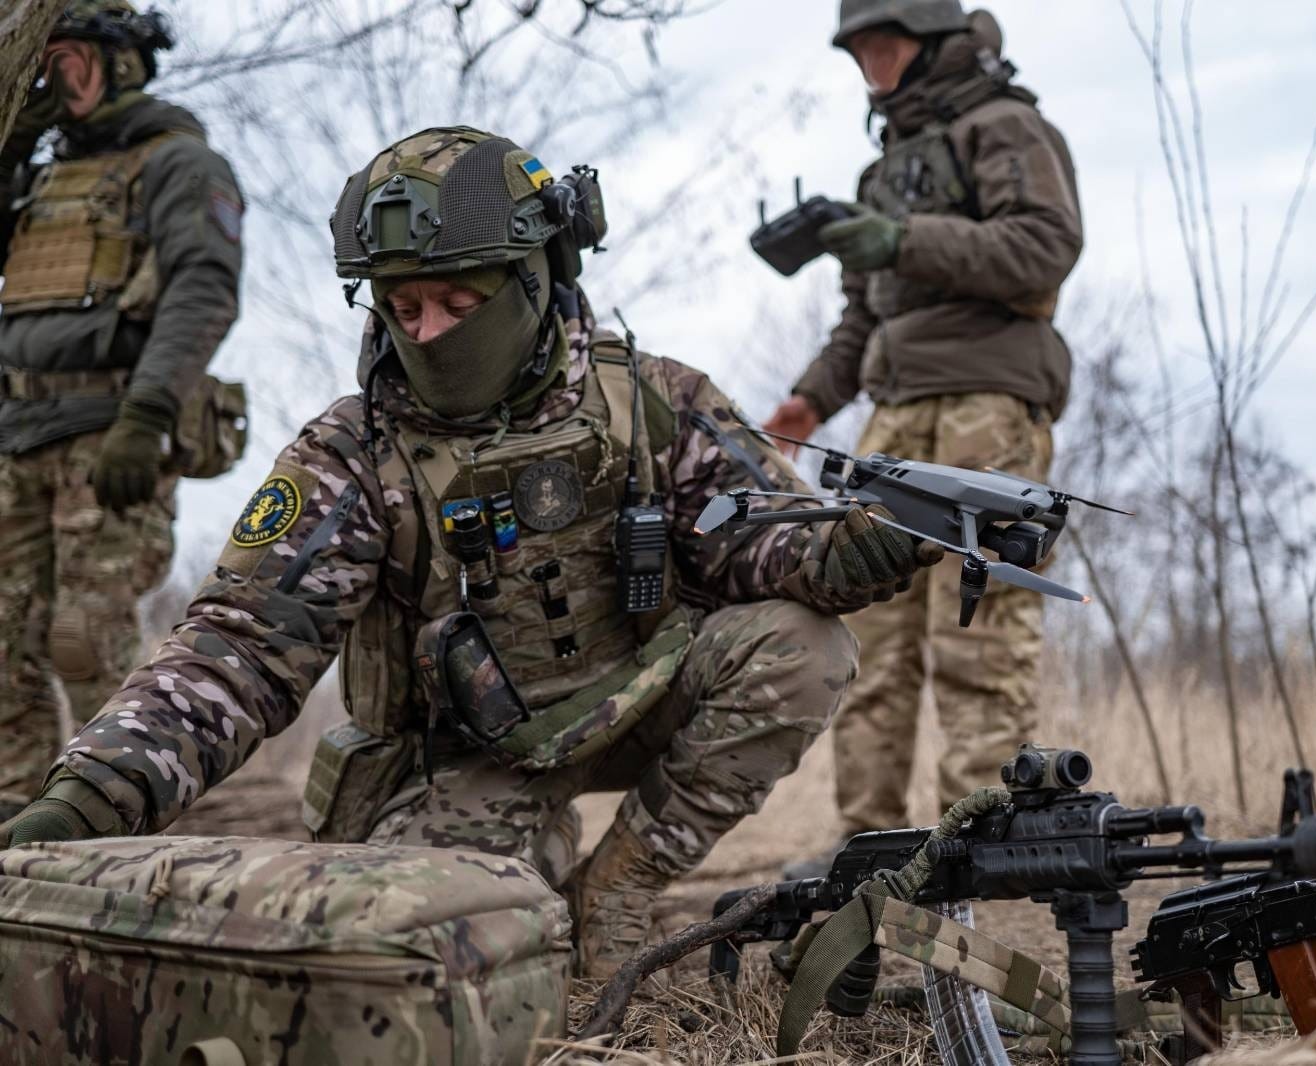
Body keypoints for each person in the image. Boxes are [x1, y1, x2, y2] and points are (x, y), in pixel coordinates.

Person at [0, 126, 939, 979]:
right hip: (463, 760)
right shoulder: (352, 452)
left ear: (536, 278)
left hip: (640, 695)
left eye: (457, 301)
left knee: (800, 646)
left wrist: (853, 553)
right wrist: (89, 795)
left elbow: (755, 541)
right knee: (445, 950)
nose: (428, 333)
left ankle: (615, 889)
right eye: (402, 308)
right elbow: (236, 649)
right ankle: (536, 876)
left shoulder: (653, 400)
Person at [766, 1, 1084, 875]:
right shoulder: (884, 173)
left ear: (935, 44)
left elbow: (1046, 248)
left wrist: (903, 238)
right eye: (860, 52)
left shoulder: (1007, 127)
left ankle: (977, 852)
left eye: (887, 47)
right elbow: (864, 317)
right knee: (872, 638)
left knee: (977, 632)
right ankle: (869, 854)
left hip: (986, 403)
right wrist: (808, 400)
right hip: (893, 417)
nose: (873, 67)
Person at [0, 0, 246, 820]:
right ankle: (19, 828)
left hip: (108, 435)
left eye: (70, 62)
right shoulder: (37, 175)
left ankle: (122, 824)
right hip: (19, 436)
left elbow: (204, 289)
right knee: (4, 651)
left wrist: (145, 416)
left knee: (86, 639)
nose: (55, 82)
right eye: (46, 63)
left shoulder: (177, 163)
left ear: (123, 61)